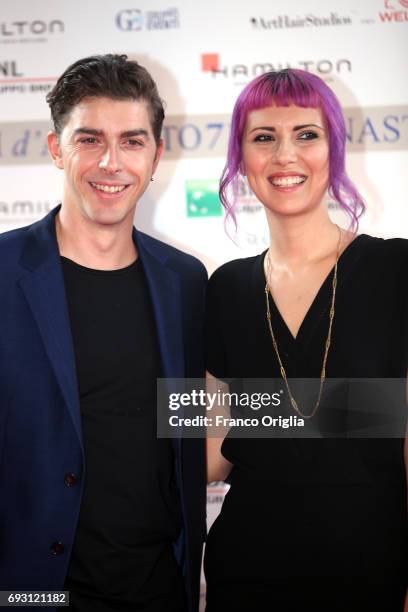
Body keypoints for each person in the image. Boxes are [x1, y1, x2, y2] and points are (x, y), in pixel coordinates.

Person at [0, 54, 207, 612]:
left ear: (156, 155)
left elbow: (191, 425)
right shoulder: (2, 272)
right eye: (89, 139)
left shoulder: (186, 283)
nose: (111, 162)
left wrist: (366, 412)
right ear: (55, 148)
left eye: (133, 142)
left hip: (160, 589)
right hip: (32, 594)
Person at [204, 69, 407, 611]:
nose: (284, 155)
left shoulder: (396, 270)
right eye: (263, 136)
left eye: (306, 134)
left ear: (334, 149)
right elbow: (210, 453)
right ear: (241, 158)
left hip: (372, 575)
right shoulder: (225, 287)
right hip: (246, 574)